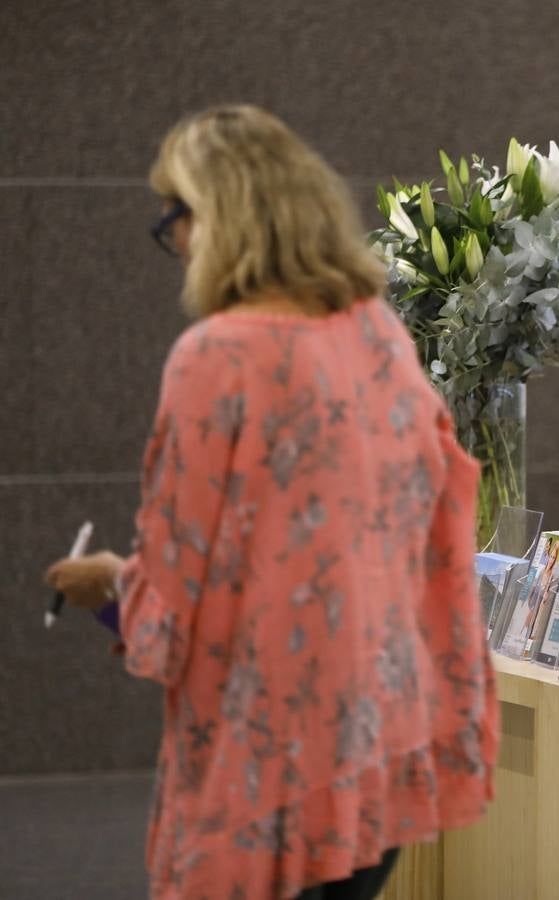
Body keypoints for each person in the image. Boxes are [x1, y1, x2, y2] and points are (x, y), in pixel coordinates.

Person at [42, 105, 499, 900]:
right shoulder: (377, 336)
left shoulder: (217, 356)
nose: (172, 238)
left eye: (174, 214)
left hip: (272, 757)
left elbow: (177, 591)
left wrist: (110, 584)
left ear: (224, 218)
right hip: (378, 739)